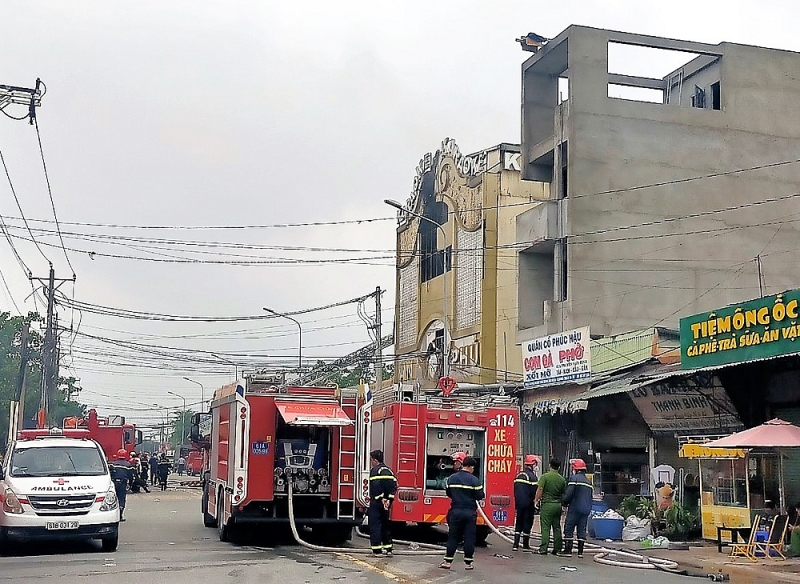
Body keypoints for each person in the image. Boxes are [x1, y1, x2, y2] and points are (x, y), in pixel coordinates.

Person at [440, 456, 485, 571]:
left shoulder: (451, 478)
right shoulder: (475, 480)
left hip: (455, 511)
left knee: (453, 536)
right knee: (469, 537)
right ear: (470, 467)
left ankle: (447, 562)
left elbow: (449, 493)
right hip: (470, 512)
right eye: (473, 468)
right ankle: (468, 563)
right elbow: (480, 495)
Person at [560, 458, 592, 558]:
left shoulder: (574, 479)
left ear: (575, 469)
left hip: (575, 508)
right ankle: (580, 552)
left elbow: (569, 494)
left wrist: (564, 503)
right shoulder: (588, 482)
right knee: (581, 530)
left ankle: (568, 550)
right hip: (586, 509)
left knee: (569, 528)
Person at [534, 457, 566, 555]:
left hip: (547, 505)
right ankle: (557, 549)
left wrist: (536, 500)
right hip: (558, 505)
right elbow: (563, 493)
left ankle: (543, 548)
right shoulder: (562, 479)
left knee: (545, 527)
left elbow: (540, 489)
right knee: (557, 527)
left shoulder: (545, 477)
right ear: (559, 467)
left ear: (549, 465)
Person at [368, 449, 397, 557]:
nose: (371, 462)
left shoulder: (375, 471)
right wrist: (389, 499)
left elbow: (375, 487)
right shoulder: (389, 471)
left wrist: (381, 498)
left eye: (371, 460)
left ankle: (377, 551)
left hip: (376, 503)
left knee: (375, 525)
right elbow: (393, 486)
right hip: (386, 504)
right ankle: (388, 549)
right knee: (386, 525)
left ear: (375, 460)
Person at [512, 454, 539, 552]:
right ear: (533, 464)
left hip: (519, 503)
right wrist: (536, 503)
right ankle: (525, 545)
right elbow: (535, 492)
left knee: (519, 522)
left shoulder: (519, 475)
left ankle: (515, 544)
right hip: (528, 504)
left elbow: (515, 489)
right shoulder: (532, 477)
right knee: (527, 523)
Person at [109, 449, 134, 521]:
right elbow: (131, 476)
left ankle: (113, 515)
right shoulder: (128, 465)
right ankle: (120, 515)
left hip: (114, 483)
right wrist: (130, 485)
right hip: (123, 483)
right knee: (121, 499)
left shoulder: (113, 464)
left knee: (113, 499)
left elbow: (110, 474)